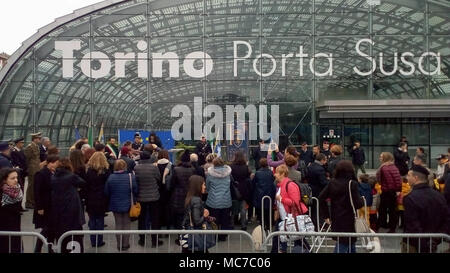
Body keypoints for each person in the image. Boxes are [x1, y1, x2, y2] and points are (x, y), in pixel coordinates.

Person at [319, 160, 364, 253]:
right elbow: (358, 204)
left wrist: (326, 215)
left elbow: (321, 198)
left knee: (346, 242)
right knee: (345, 243)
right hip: (349, 218)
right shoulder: (352, 184)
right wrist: (362, 200)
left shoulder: (332, 183)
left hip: (336, 217)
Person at [402, 165, 450, 253]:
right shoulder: (439, 196)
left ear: (416, 178)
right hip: (433, 242)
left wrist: (424, 245)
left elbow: (413, 226)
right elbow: (446, 220)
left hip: (414, 245)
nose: (406, 177)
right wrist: (435, 240)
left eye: (409, 175)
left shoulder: (410, 198)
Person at [50, 158, 86, 253]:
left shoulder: (53, 177)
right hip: (71, 208)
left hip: (58, 208)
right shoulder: (71, 176)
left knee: (62, 236)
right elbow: (83, 183)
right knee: (74, 235)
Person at [272, 164, 309, 253]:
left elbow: (294, 202)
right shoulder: (281, 185)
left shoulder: (290, 185)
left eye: (276, 173)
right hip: (284, 217)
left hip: (291, 217)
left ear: (282, 174)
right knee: (278, 237)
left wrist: (281, 199)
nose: (274, 174)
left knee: (299, 239)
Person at [104, 159, 137, 251]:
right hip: (128, 204)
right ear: (125, 166)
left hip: (115, 203)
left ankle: (119, 244)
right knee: (127, 224)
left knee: (118, 223)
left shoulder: (111, 177)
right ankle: (126, 244)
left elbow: (106, 192)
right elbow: (135, 190)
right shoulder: (130, 177)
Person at [134, 151, 163, 247]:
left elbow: (136, 181)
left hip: (141, 197)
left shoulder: (136, 168)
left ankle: (142, 240)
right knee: (155, 219)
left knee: (141, 219)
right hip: (154, 197)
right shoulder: (154, 167)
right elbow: (158, 178)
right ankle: (155, 241)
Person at [33, 155, 59, 253]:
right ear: (49, 163)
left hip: (52, 205)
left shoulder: (54, 172)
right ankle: (38, 248)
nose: (56, 165)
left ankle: (50, 248)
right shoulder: (41, 174)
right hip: (44, 206)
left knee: (51, 229)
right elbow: (37, 192)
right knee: (46, 229)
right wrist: (39, 207)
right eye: (55, 163)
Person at [85, 152, 111, 248]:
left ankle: (93, 240)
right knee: (100, 220)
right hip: (102, 198)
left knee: (92, 220)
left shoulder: (89, 171)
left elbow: (86, 186)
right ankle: (99, 241)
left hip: (91, 198)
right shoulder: (106, 171)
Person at [181, 175, 212, 253]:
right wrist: (204, 216)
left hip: (189, 236)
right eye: (203, 184)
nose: (205, 187)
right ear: (198, 186)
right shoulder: (197, 200)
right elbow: (197, 221)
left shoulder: (189, 198)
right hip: (196, 238)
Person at [205, 157, 233, 241]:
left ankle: (215, 236)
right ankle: (223, 236)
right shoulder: (228, 173)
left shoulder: (210, 174)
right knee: (225, 219)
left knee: (214, 220)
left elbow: (208, 186)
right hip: (226, 200)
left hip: (213, 200)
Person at [376, 152, 402, 233]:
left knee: (382, 209)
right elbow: (398, 179)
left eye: (381, 157)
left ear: (385, 158)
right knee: (392, 210)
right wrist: (398, 190)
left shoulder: (384, 168)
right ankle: (392, 226)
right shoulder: (393, 166)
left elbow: (387, 180)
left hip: (387, 191)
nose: (379, 158)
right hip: (393, 191)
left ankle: (382, 225)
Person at [170, 150, 195, 232]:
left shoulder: (176, 169)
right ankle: (188, 235)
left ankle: (180, 236)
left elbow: (172, 183)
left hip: (178, 195)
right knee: (188, 215)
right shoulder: (193, 169)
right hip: (190, 195)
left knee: (179, 217)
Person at [0, 168, 23, 253]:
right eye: (12, 178)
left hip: (15, 228)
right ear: (4, 180)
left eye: (16, 177)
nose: (16, 180)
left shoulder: (18, 190)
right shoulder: (2, 193)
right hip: (3, 229)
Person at [230, 151, 252, 231]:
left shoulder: (231, 166)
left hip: (234, 189)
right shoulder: (245, 167)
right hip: (243, 189)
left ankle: (232, 224)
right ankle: (243, 225)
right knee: (243, 209)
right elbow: (248, 177)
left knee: (233, 208)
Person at [252, 158, 276, 230]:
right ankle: (268, 225)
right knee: (268, 210)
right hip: (269, 193)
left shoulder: (258, 173)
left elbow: (253, 183)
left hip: (260, 194)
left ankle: (262, 224)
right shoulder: (270, 173)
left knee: (261, 210)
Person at [24, 132, 42, 209]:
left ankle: (33, 201)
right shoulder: (29, 147)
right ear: (34, 139)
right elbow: (27, 159)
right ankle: (29, 202)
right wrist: (28, 168)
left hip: (37, 168)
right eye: (39, 138)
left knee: (35, 186)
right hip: (32, 169)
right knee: (31, 186)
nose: (40, 140)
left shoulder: (37, 146)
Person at [156, 150, 172, 230]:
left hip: (157, 189)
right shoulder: (170, 165)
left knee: (158, 208)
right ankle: (168, 226)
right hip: (167, 190)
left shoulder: (156, 165)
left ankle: (159, 225)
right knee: (167, 208)